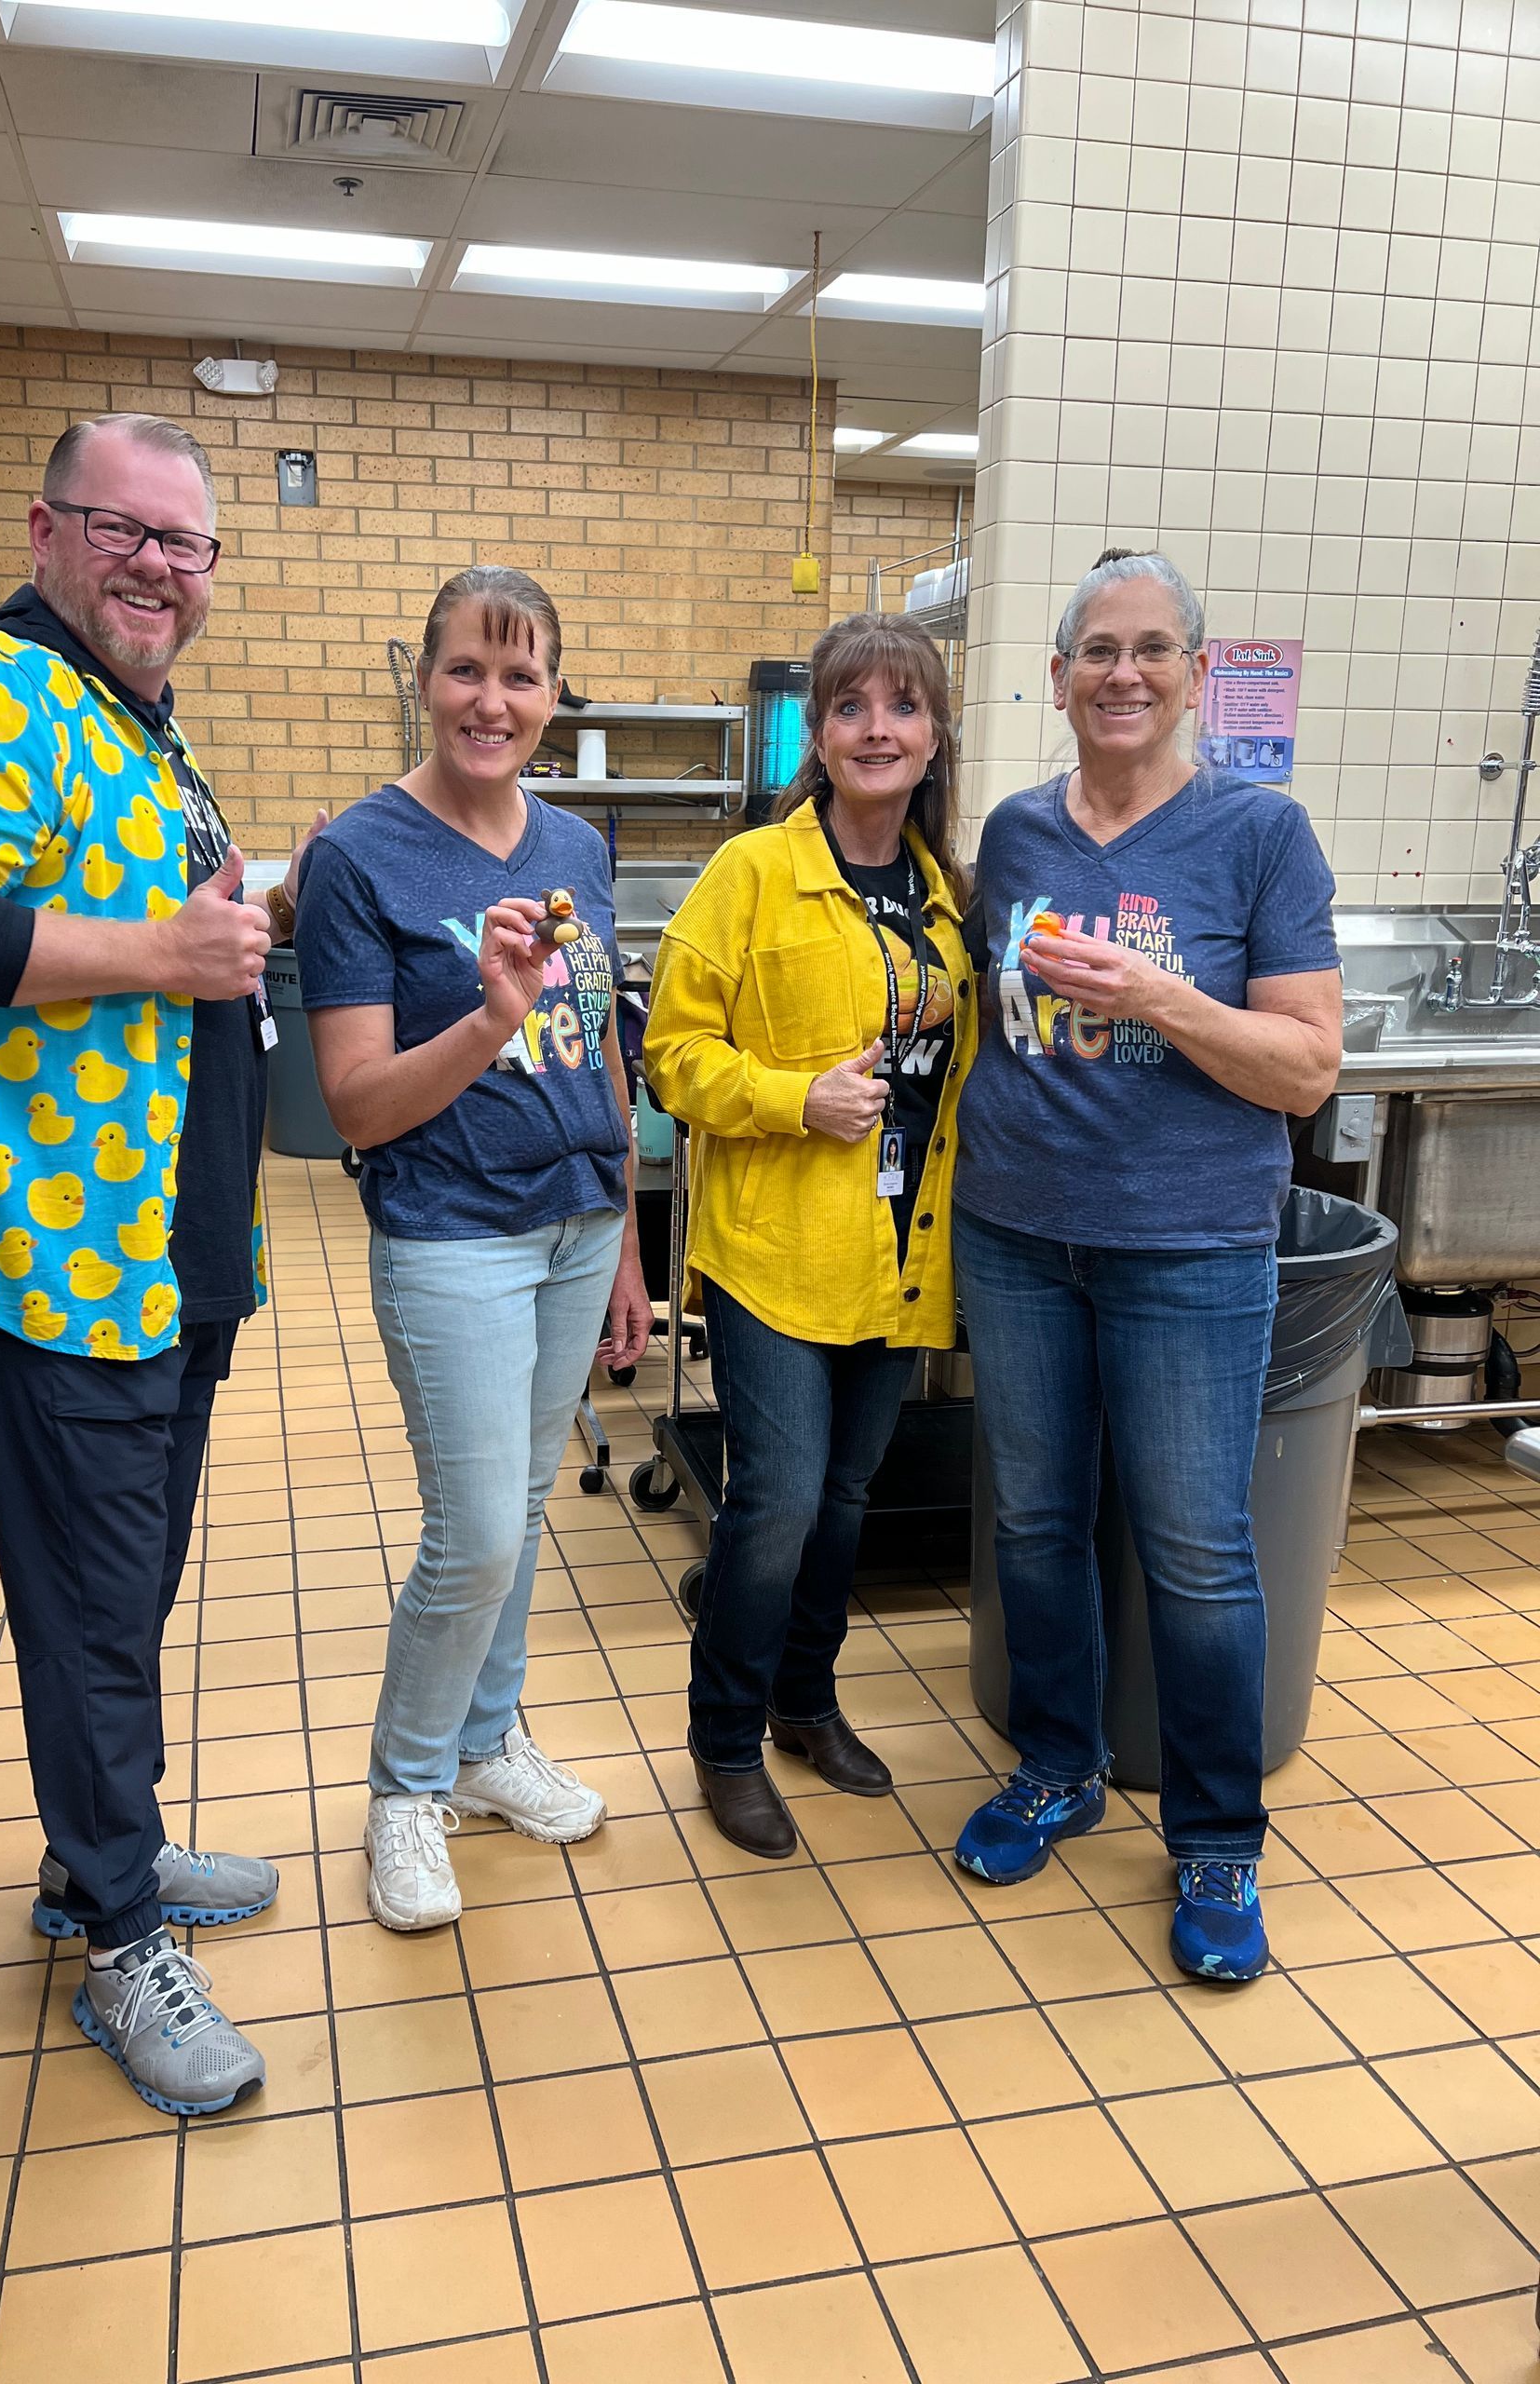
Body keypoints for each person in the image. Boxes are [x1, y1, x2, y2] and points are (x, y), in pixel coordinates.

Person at [0, 413, 323, 2114]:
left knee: (118, 1602)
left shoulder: (137, 720)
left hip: (166, 1260)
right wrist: (161, 951)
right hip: (59, 1266)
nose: (159, 569)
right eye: (126, 532)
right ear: (47, 530)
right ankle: (120, 1938)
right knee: (95, 1616)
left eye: (189, 545)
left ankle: (94, 1854)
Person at [951, 548, 1342, 1983]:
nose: (1123, 674)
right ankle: (1057, 1766)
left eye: (1151, 650)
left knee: (1196, 1551)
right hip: (1018, 1233)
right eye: (1095, 650)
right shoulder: (1017, 831)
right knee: (1040, 1524)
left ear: (1192, 674)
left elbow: (1306, 1071)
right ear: (1057, 679)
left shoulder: (1260, 836)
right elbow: (998, 1017)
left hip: (1189, 1248)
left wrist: (1163, 997)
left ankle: (1218, 1839)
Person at [297, 564, 653, 1931]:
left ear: (554, 696)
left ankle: (488, 1747)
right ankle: (405, 1790)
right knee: (475, 1533)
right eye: (466, 670)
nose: (491, 701)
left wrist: (623, 1237)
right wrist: (489, 1020)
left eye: (521, 676)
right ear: (424, 681)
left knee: (517, 1517)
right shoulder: (359, 859)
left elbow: (606, 1052)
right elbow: (358, 1103)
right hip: (451, 1230)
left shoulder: (577, 850)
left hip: (575, 1228)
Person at [644, 614, 978, 1858]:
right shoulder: (753, 874)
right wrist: (795, 1099)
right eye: (852, 708)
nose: (878, 728)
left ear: (935, 736)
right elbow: (672, 1055)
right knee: (777, 1499)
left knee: (844, 1498)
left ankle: (805, 1701)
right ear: (820, 735)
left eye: (902, 707)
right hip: (774, 1254)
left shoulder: (950, 903)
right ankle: (724, 1737)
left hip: (900, 1257)